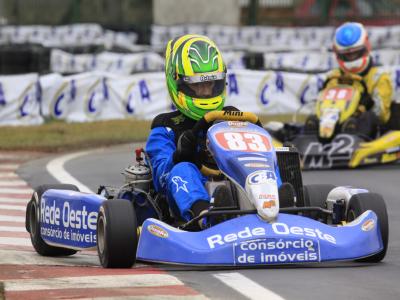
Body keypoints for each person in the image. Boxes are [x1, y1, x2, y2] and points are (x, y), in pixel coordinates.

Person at [145, 34, 282, 229]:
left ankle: (281, 205)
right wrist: (179, 155)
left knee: (266, 162)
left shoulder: (232, 117)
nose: (206, 92)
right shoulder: (165, 126)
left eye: (211, 83)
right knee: (183, 169)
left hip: (237, 184)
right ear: (178, 83)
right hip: (188, 196)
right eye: (198, 84)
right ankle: (206, 216)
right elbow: (161, 178)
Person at [307, 22, 393, 138]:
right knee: (311, 120)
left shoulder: (379, 77)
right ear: (337, 53)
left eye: (356, 53)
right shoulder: (333, 77)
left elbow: (381, 115)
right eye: (347, 55)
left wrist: (363, 105)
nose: (352, 59)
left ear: (366, 47)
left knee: (367, 118)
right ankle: (303, 146)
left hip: (366, 132)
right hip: (333, 124)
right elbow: (321, 106)